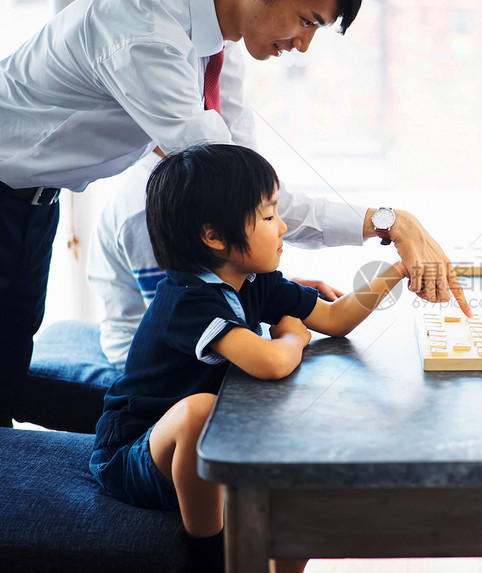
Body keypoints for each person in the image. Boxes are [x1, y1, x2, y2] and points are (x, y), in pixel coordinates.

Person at [0, 0, 468, 425]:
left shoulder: (220, 47)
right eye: (307, 21)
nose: (303, 45)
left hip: (37, 201)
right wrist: (385, 222)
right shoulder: (146, 33)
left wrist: (386, 263)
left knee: (9, 360)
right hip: (8, 193)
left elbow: (251, 182)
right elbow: (232, 195)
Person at [90, 144, 406, 573]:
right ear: (214, 236)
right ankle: (208, 552)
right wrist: (293, 334)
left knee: (297, 489)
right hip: (138, 452)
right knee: (197, 413)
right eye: (269, 216)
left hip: (220, 442)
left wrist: (397, 270)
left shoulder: (256, 280)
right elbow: (271, 362)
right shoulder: (186, 301)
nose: (284, 227)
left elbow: (335, 317)